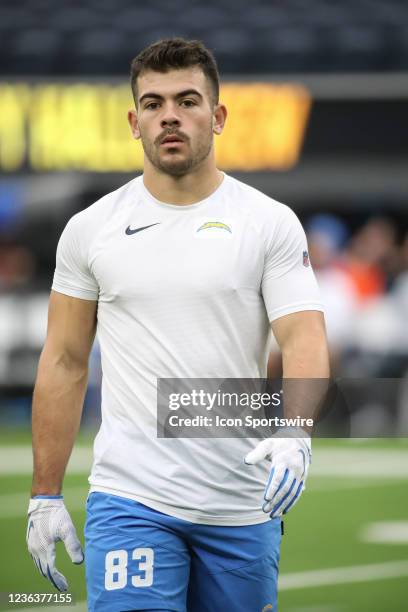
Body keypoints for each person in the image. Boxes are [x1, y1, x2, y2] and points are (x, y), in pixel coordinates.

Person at [26, 38, 330, 612]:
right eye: (153, 102)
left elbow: (304, 335)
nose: (169, 114)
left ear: (218, 118)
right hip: (130, 498)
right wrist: (44, 494)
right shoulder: (90, 230)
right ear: (133, 121)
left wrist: (296, 431)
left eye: (188, 100)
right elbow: (64, 360)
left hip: (242, 502)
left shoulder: (268, 223)